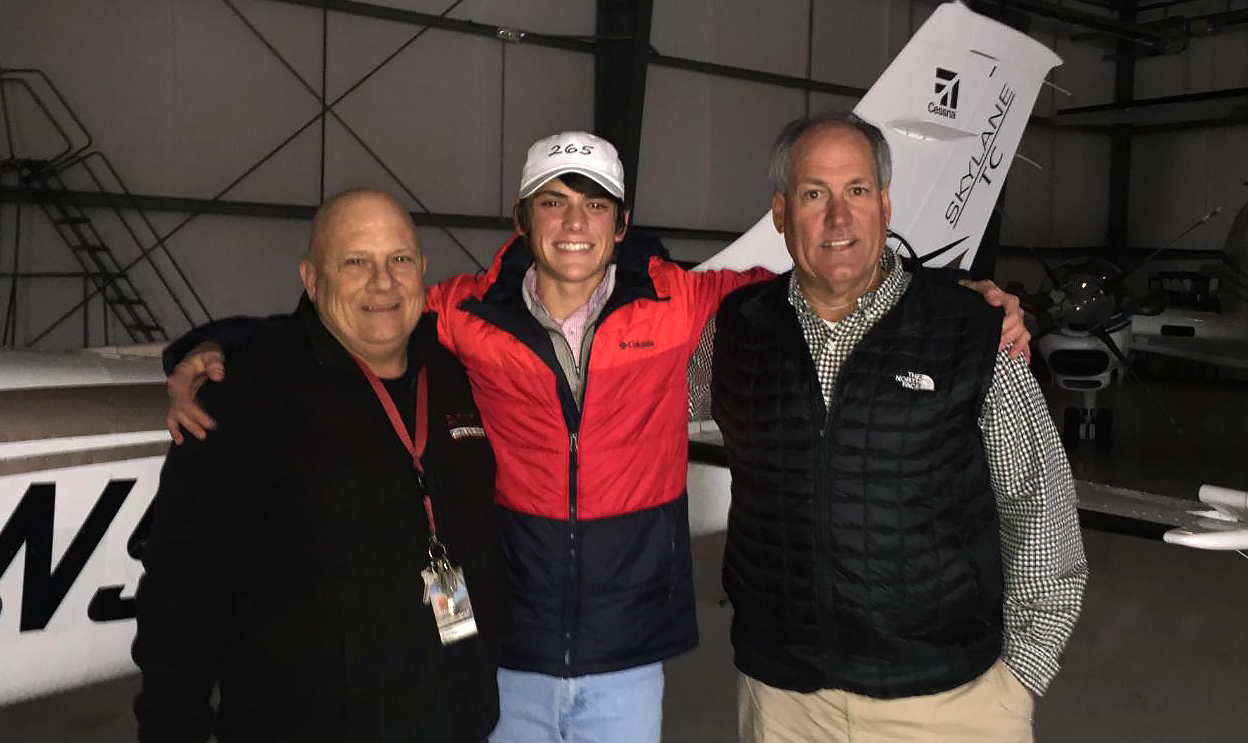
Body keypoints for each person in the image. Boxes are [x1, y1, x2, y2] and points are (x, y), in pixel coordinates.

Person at [160, 131, 1032, 743]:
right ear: (523, 219)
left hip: (625, 652)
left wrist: (967, 300)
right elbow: (361, 319)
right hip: (510, 649)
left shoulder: (684, 303)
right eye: (553, 202)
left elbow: (826, 282)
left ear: (620, 224)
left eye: (595, 204)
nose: (574, 222)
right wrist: (218, 346)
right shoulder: (464, 313)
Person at [711, 112, 1087, 743]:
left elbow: (1038, 501)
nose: (839, 217)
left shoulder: (972, 330)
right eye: (813, 195)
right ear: (780, 213)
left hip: (946, 702)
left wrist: (1023, 673)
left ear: (884, 204)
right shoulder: (736, 331)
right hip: (784, 703)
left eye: (857, 191)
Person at [133, 190, 507, 743]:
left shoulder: (453, 376)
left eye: (399, 259)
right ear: (311, 279)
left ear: (422, 271)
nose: (382, 282)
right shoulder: (244, 397)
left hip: (456, 723)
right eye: (355, 261)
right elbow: (181, 586)